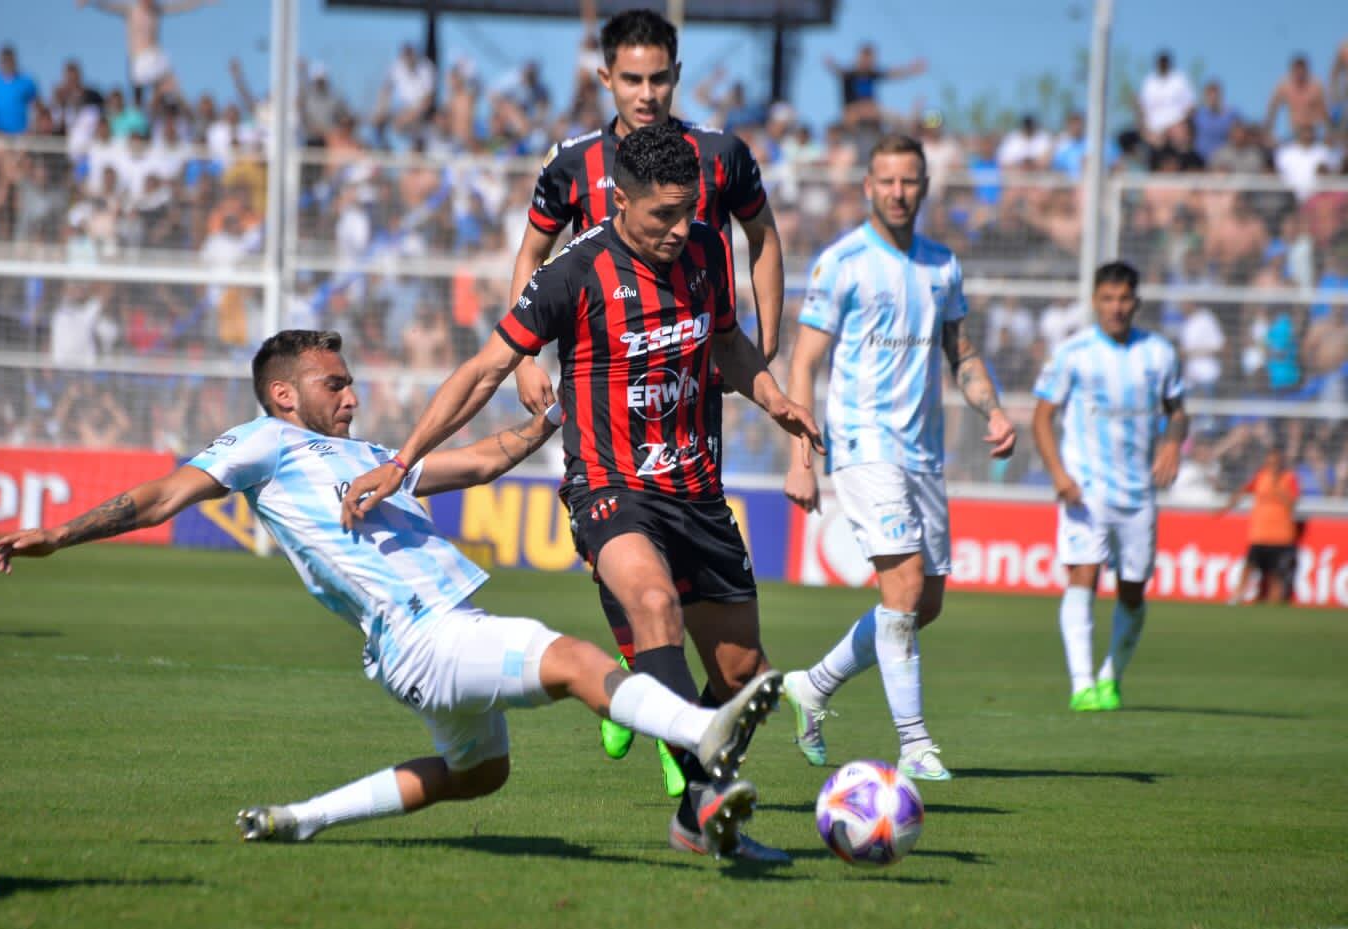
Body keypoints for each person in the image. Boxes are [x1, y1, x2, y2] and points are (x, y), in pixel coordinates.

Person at [0, 330, 780, 859]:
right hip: (423, 632)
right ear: (283, 396)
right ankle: (701, 733)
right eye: (333, 383)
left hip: (423, 641)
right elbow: (164, 496)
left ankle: (306, 817)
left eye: (350, 382)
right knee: (573, 659)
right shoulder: (266, 442)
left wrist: (541, 428)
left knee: (479, 775)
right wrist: (61, 534)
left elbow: (472, 465)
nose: (352, 395)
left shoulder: (369, 455)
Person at [340, 125, 823, 862]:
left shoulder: (706, 249)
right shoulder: (577, 271)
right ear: (620, 200)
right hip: (609, 484)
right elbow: (484, 370)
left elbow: (726, 342)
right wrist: (404, 459)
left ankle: (696, 806)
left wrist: (775, 398)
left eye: (689, 210)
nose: (678, 227)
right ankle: (701, 802)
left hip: (696, 488)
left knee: (742, 676)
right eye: (662, 214)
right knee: (653, 603)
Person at [504, 8, 786, 788]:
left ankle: (640, 698)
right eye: (631, 78)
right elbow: (534, 251)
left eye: (660, 77)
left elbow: (763, 237)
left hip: (688, 399)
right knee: (641, 577)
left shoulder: (720, 158)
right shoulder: (572, 165)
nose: (647, 92)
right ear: (606, 79)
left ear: (677, 76)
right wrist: (527, 355)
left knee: (740, 661)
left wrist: (766, 345)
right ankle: (677, 744)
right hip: (604, 393)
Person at [778, 134, 1017, 780]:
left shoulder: (942, 265)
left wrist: (991, 409)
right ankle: (914, 743)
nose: (897, 192)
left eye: (909, 181)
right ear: (867, 187)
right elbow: (802, 363)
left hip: (923, 452)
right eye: (886, 180)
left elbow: (960, 351)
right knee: (904, 585)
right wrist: (801, 455)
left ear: (925, 186)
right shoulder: (843, 262)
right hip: (860, 443)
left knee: (923, 602)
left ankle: (813, 685)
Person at [1031, 261, 1188, 712]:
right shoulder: (1074, 353)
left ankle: (1110, 677)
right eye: (1107, 299)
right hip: (1087, 489)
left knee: (1133, 591)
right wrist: (1059, 474)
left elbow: (1177, 410)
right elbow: (1042, 416)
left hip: (1138, 493)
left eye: (1124, 299)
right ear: (1095, 301)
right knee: (1082, 574)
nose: (1116, 308)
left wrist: (1173, 445)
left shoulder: (1158, 353)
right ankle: (1082, 684)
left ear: (1136, 302)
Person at [78, 0, 217, 102]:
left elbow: (180, 6)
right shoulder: (131, 11)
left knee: (170, 86)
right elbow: (109, 6)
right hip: (138, 59)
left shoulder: (156, 10)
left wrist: (201, 2)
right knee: (139, 95)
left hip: (154, 57)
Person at [1219, 448, 1300, 604]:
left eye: (1275, 462)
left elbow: (1292, 505)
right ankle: (1237, 596)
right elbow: (1243, 491)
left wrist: (1279, 489)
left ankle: (1274, 605)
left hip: (1281, 537)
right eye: (1270, 462)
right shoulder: (1261, 476)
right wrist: (1226, 508)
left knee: (1276, 576)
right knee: (1248, 568)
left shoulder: (1289, 479)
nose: (1272, 465)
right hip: (1259, 534)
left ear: (1281, 462)